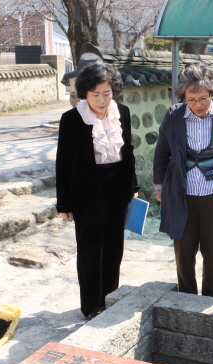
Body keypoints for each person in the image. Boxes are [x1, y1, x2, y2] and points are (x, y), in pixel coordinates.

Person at [56, 62, 139, 320]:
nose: (102, 100)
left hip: (117, 189)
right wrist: (64, 203)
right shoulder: (72, 119)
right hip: (86, 192)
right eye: (95, 94)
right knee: (91, 250)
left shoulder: (122, 112)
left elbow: (129, 153)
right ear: (85, 94)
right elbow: (63, 162)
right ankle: (91, 305)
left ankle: (109, 297)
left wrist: (133, 187)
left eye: (107, 93)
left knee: (114, 248)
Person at [153, 63, 213, 299]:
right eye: (191, 99)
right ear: (184, 96)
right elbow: (162, 152)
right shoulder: (174, 116)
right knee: (184, 250)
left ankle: (211, 299)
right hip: (182, 191)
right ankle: (186, 297)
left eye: (203, 98)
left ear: (211, 93)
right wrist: (159, 186)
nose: (198, 105)